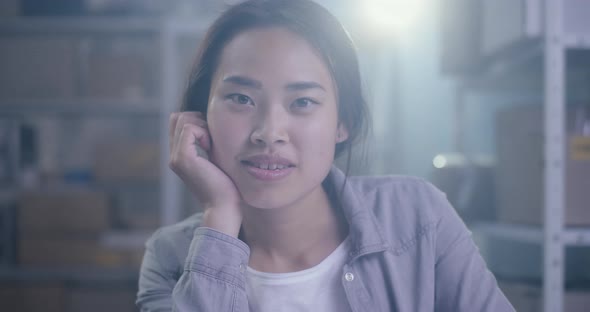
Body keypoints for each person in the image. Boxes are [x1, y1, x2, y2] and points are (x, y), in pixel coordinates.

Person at [137, 0, 514, 311]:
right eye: (240, 99)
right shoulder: (170, 256)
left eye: (302, 102)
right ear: (201, 116)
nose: (269, 132)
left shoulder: (417, 217)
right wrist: (219, 216)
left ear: (342, 123)